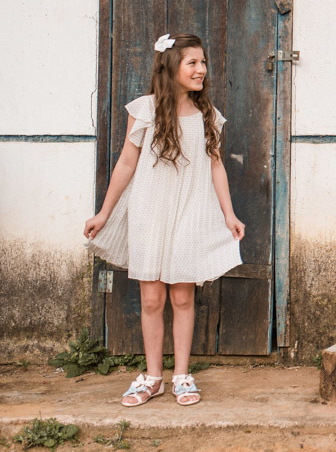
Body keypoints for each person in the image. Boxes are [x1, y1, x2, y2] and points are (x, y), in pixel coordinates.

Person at [84, 33, 245, 407]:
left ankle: (182, 376)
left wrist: (228, 214)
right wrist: (104, 212)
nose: (201, 69)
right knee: (152, 299)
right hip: (150, 210)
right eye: (193, 62)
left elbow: (216, 165)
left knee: (183, 296)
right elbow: (126, 163)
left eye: (203, 62)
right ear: (171, 67)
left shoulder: (207, 115)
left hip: (191, 210)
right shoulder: (145, 110)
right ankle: (153, 376)